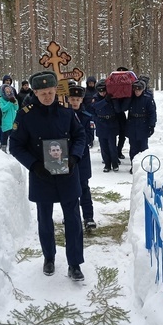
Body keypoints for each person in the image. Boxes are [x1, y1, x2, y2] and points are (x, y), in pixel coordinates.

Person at [9, 70, 86, 281]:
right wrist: (34, 165)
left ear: (55, 90)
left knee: (73, 220)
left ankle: (74, 263)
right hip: (41, 176)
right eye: (42, 93)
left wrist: (74, 158)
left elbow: (80, 136)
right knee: (45, 220)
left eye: (50, 92)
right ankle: (49, 257)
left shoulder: (67, 111)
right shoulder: (26, 114)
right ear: (34, 92)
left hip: (67, 175)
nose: (47, 97)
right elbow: (15, 145)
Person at [67, 86, 96, 229]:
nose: (74, 102)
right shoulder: (63, 115)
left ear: (81, 100)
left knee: (84, 187)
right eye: (72, 99)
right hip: (66, 157)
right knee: (68, 188)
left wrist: (77, 143)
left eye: (77, 99)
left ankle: (88, 216)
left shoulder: (87, 117)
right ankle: (70, 216)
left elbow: (90, 138)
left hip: (82, 157)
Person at [122, 79, 157, 174]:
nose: (137, 92)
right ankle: (134, 166)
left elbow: (152, 113)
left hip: (143, 124)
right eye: (135, 90)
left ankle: (143, 167)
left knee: (143, 148)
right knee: (133, 148)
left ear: (143, 89)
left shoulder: (148, 99)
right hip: (132, 124)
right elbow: (123, 108)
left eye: (139, 90)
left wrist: (152, 125)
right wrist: (128, 98)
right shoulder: (131, 98)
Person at [92, 79, 120, 172]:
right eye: (100, 92)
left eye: (104, 91)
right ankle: (107, 164)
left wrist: (113, 99)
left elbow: (118, 109)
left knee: (112, 146)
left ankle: (115, 163)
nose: (102, 93)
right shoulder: (95, 98)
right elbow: (95, 107)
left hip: (111, 122)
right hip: (101, 122)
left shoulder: (111, 97)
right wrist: (105, 101)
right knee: (103, 146)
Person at [0, 83, 18, 153]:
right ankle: (3, 149)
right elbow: (3, 109)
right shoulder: (1, 99)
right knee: (4, 137)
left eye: (9, 91)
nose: (8, 93)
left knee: (13, 137)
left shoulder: (13, 98)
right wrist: (10, 102)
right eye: (7, 91)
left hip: (13, 121)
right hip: (5, 121)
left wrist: (15, 102)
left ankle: (13, 149)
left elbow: (16, 108)